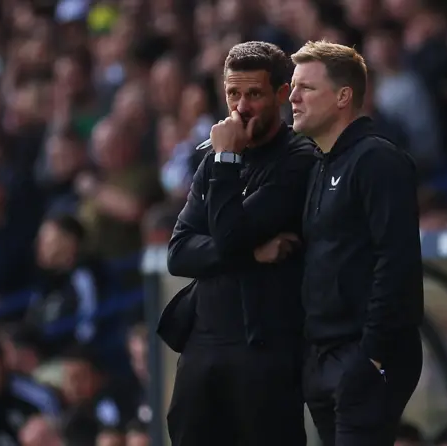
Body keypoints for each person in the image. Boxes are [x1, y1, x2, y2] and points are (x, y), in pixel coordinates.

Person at [159, 41, 316, 446]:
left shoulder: (299, 159)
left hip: (262, 346)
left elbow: (228, 238)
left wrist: (227, 162)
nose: (241, 106)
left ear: (282, 95)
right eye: (233, 94)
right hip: (201, 344)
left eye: (254, 94)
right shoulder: (213, 158)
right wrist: (252, 252)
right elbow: (178, 252)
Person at [284, 40, 423, 445]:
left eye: (306, 88)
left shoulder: (377, 160)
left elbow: (396, 261)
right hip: (324, 354)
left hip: (362, 354)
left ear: (344, 96)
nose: (292, 97)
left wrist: (372, 353)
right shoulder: (317, 165)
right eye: (294, 87)